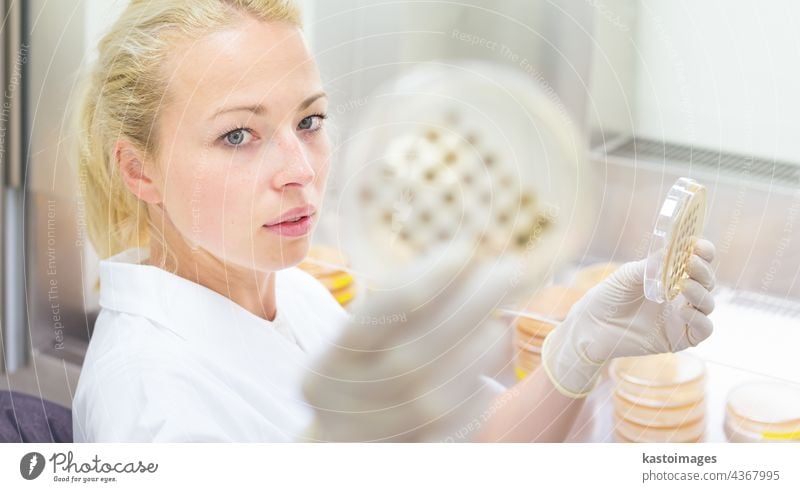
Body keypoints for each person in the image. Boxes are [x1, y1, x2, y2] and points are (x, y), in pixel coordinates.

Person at [71, 0, 717, 442]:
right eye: (238, 135)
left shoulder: (288, 292)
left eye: (309, 121)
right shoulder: (149, 403)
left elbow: (466, 451)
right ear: (139, 171)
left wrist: (580, 348)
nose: (299, 169)